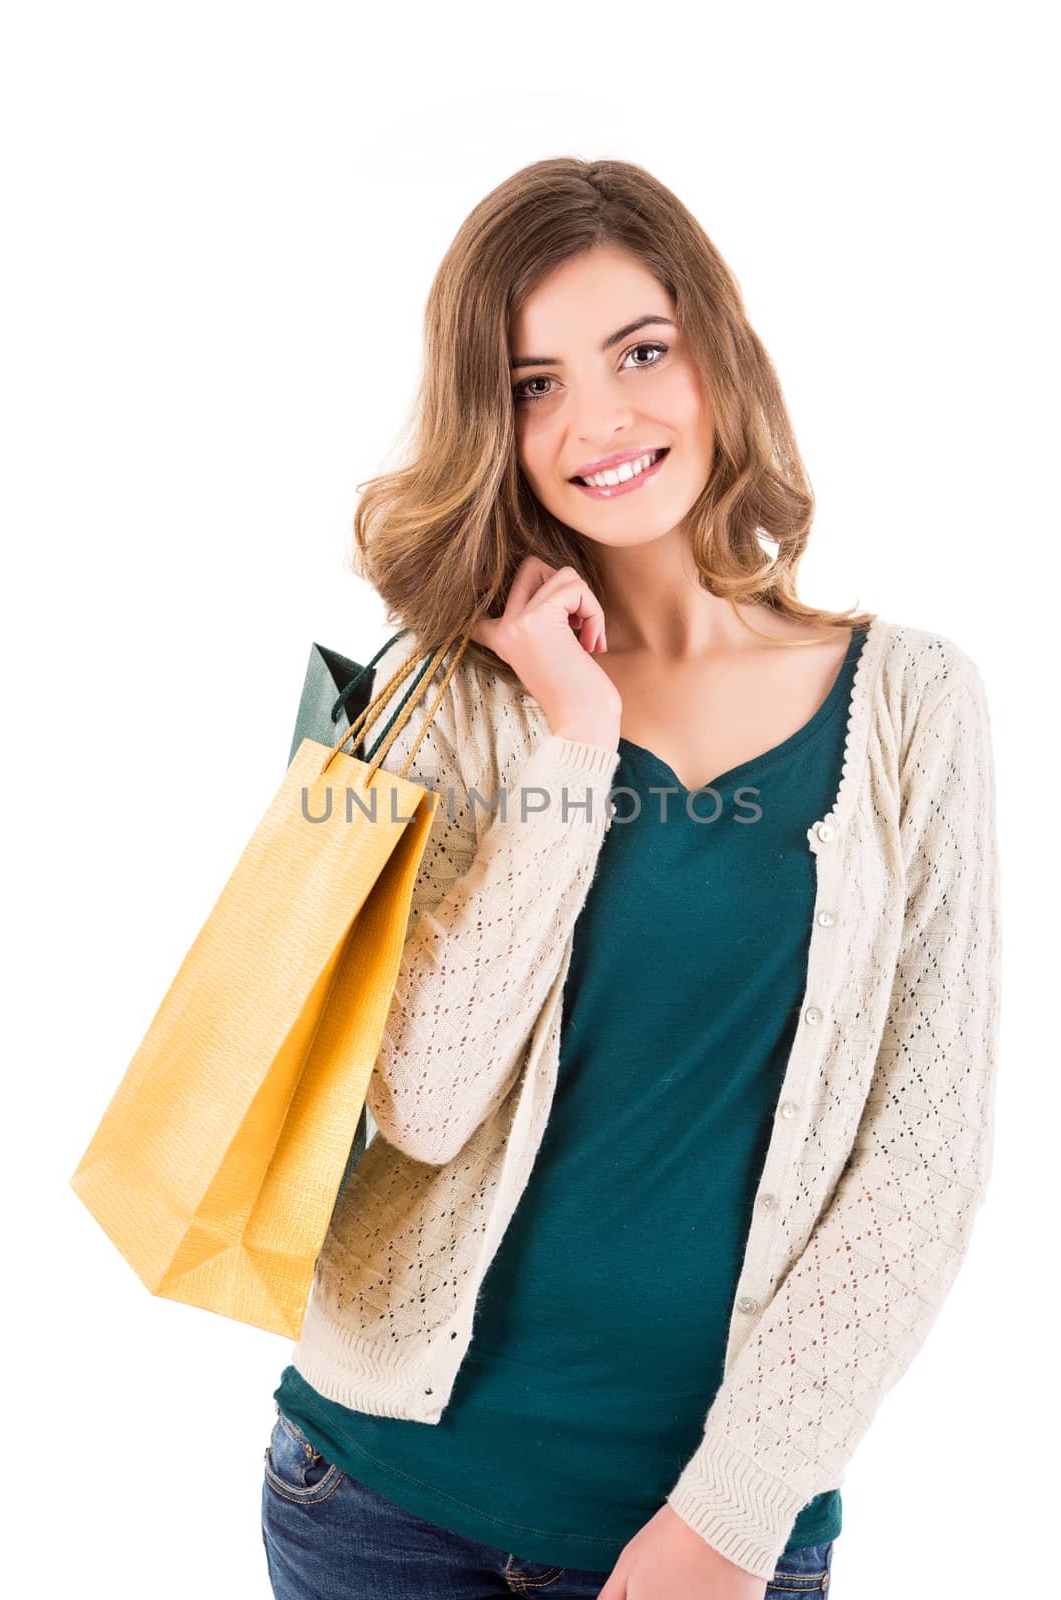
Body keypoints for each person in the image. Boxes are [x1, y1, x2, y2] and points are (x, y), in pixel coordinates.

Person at [260, 157, 1002, 1600]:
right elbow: (417, 1100)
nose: (599, 418)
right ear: (496, 425)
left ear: (715, 354)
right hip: (383, 1500)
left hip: (711, 1526)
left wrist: (728, 1516)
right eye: (534, 384)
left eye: (640, 351)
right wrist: (570, 741)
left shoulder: (915, 704)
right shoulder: (455, 699)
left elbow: (921, 1159)